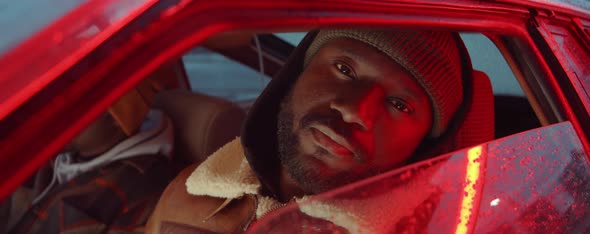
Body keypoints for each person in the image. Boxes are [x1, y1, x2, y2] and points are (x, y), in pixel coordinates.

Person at [146, 28, 472, 233]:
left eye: (400, 105)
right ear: (295, 77)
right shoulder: (190, 191)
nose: (355, 109)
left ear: (422, 149)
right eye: (344, 69)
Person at [3, 73, 184, 234]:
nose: (59, 112)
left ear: (116, 120)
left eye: (76, 105)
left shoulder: (138, 191)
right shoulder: (58, 156)